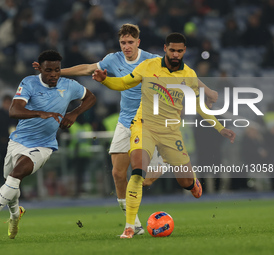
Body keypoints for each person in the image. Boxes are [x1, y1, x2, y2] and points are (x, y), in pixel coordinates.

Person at [32, 24, 218, 235]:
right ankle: (134, 225)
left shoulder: (152, 61)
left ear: (138, 42)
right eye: (123, 43)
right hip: (126, 121)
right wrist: (54, 72)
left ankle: (173, 167)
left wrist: (208, 91)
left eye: (130, 42)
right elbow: (87, 68)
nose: (127, 46)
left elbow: (188, 77)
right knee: (118, 173)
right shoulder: (113, 59)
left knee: (146, 178)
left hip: (151, 122)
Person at [92, 33, 236, 238]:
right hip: (144, 126)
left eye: (179, 51)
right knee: (137, 172)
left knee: (185, 182)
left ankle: (192, 182)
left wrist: (220, 128)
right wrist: (106, 81)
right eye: (172, 50)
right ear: (165, 49)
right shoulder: (149, 66)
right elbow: (123, 83)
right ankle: (130, 227)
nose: (176, 54)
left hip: (170, 131)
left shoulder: (189, 75)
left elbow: (199, 106)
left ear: (184, 51)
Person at [0, 50, 96, 238]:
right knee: (11, 183)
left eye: (57, 70)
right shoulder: (29, 83)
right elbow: (14, 110)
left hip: (44, 144)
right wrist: (40, 113)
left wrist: (74, 113)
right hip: (18, 141)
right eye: (49, 70)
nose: (54, 74)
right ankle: (15, 215)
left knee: (16, 174)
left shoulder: (69, 85)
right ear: (40, 69)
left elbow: (91, 97)